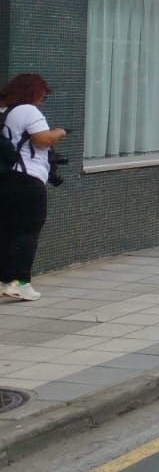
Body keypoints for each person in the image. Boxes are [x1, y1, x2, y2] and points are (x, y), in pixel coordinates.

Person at [1, 74, 67, 302]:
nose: (42, 100)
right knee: (28, 229)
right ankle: (20, 282)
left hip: (6, 178)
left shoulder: (3, 112)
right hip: (27, 179)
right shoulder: (27, 111)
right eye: (42, 95)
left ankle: (4, 279)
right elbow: (41, 139)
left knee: (7, 229)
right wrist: (58, 133)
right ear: (32, 93)